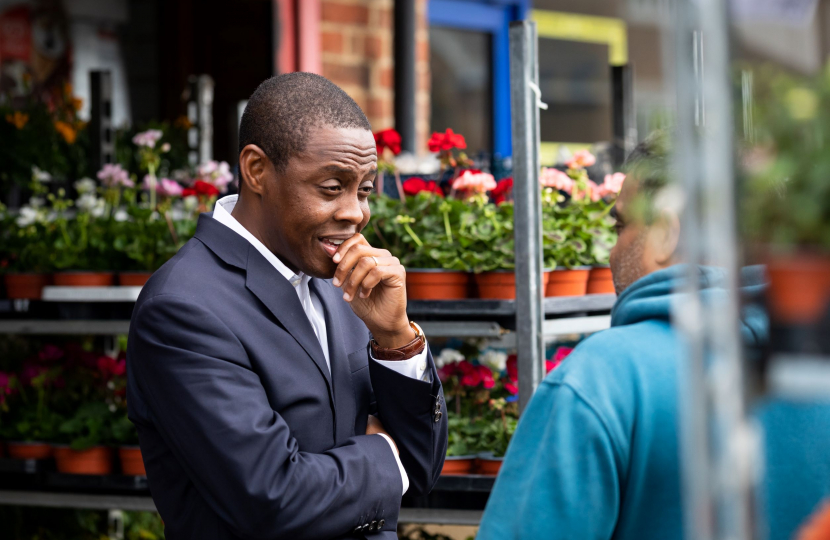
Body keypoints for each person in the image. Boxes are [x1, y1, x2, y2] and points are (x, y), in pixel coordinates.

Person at [127, 73, 448, 540]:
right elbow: (272, 498)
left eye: (364, 190)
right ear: (257, 170)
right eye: (331, 186)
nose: (356, 213)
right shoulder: (182, 308)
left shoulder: (336, 279)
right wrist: (385, 455)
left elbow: (423, 468)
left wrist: (396, 338)